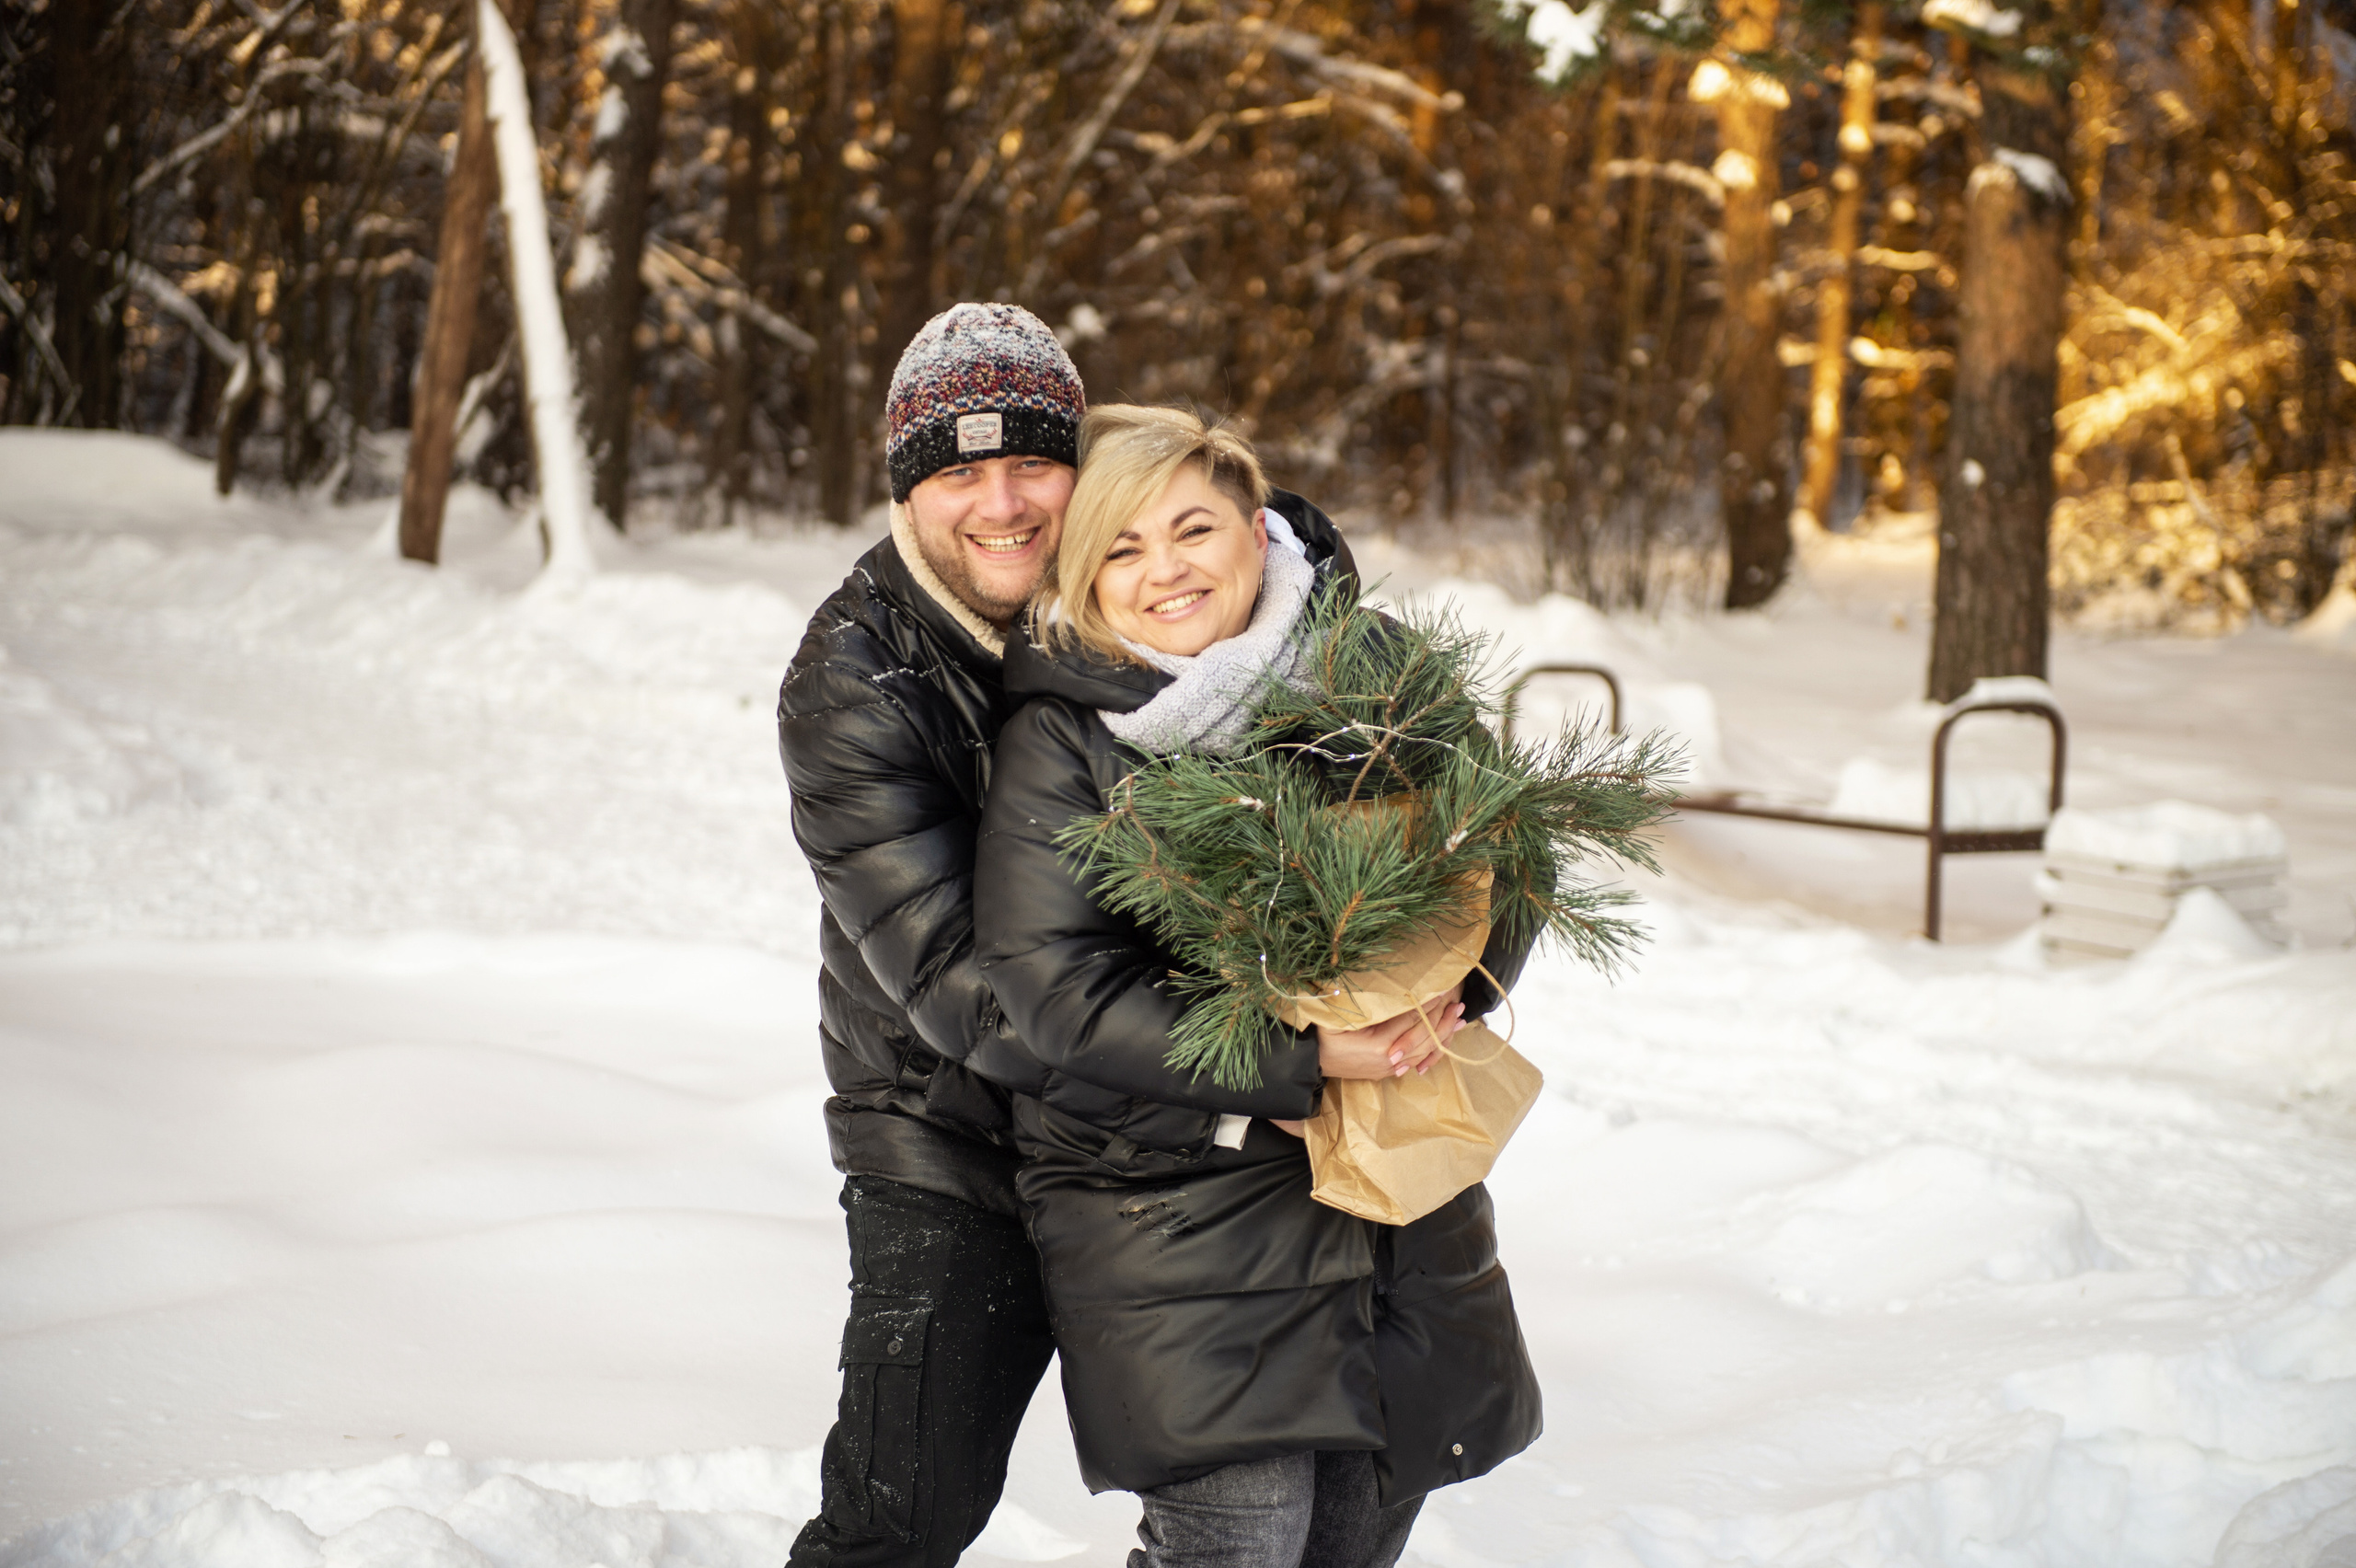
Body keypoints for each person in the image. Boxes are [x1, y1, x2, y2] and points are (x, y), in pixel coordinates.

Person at [975, 405, 1543, 1568]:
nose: (1165, 571)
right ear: (1085, 573)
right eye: (1122, 549)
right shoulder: (1067, 735)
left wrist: (1443, 992)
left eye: (1191, 529)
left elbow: (1507, 848)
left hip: (1387, 1184)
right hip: (1173, 1199)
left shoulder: (1373, 669)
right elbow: (1052, 986)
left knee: (1355, 1535)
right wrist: (1301, 1057)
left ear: (1254, 525)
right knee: (1237, 1541)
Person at [774, 303, 1080, 1568]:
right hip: (947, 1140)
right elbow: (968, 996)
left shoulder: (1143, 592)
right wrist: (1261, 1071)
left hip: (1140, 1140)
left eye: (1031, 462)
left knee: (1283, 1495)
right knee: (903, 1520)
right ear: (910, 487)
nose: (1001, 504)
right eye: (959, 470)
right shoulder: (856, 678)